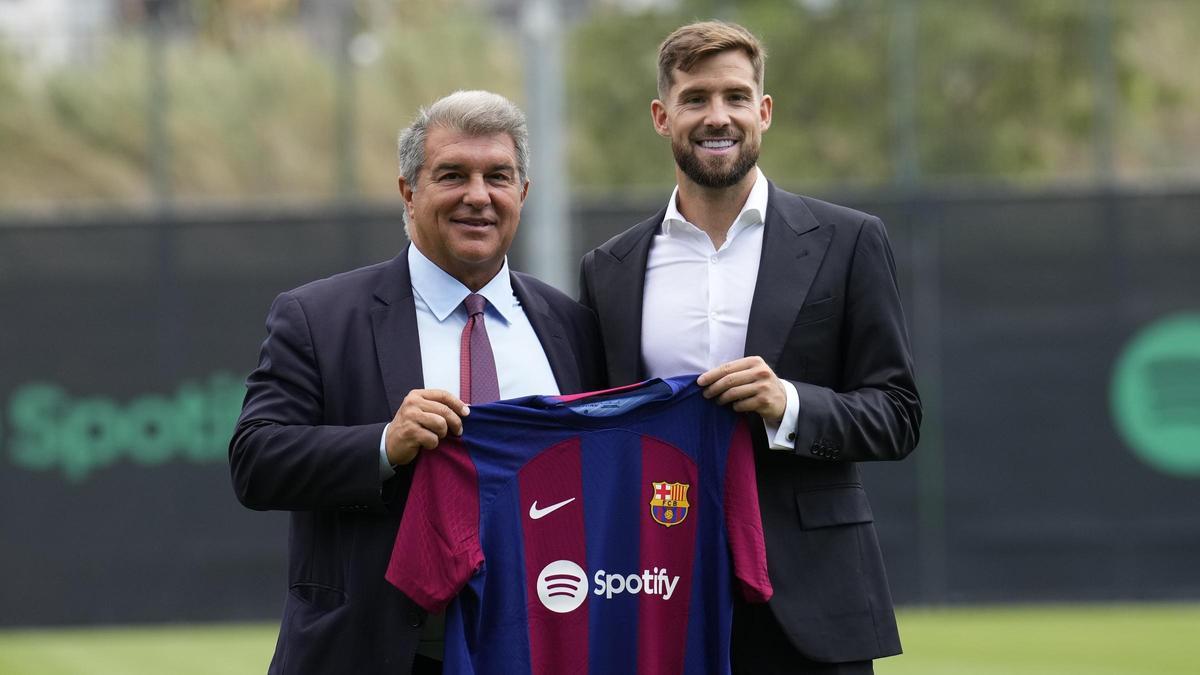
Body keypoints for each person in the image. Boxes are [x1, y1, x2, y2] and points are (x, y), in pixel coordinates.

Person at [578, 21, 921, 675]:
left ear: (763, 111)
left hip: (812, 609)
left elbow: (899, 413)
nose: (718, 116)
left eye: (735, 97)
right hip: (658, 595)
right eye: (696, 98)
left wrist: (786, 404)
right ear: (662, 115)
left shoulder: (848, 242)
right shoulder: (610, 268)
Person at [230, 90, 603, 675]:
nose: (477, 196)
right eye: (452, 174)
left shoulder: (573, 327)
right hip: (378, 654)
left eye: (497, 177)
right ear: (409, 191)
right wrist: (384, 444)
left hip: (538, 650)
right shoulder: (319, 317)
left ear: (522, 194)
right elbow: (255, 461)